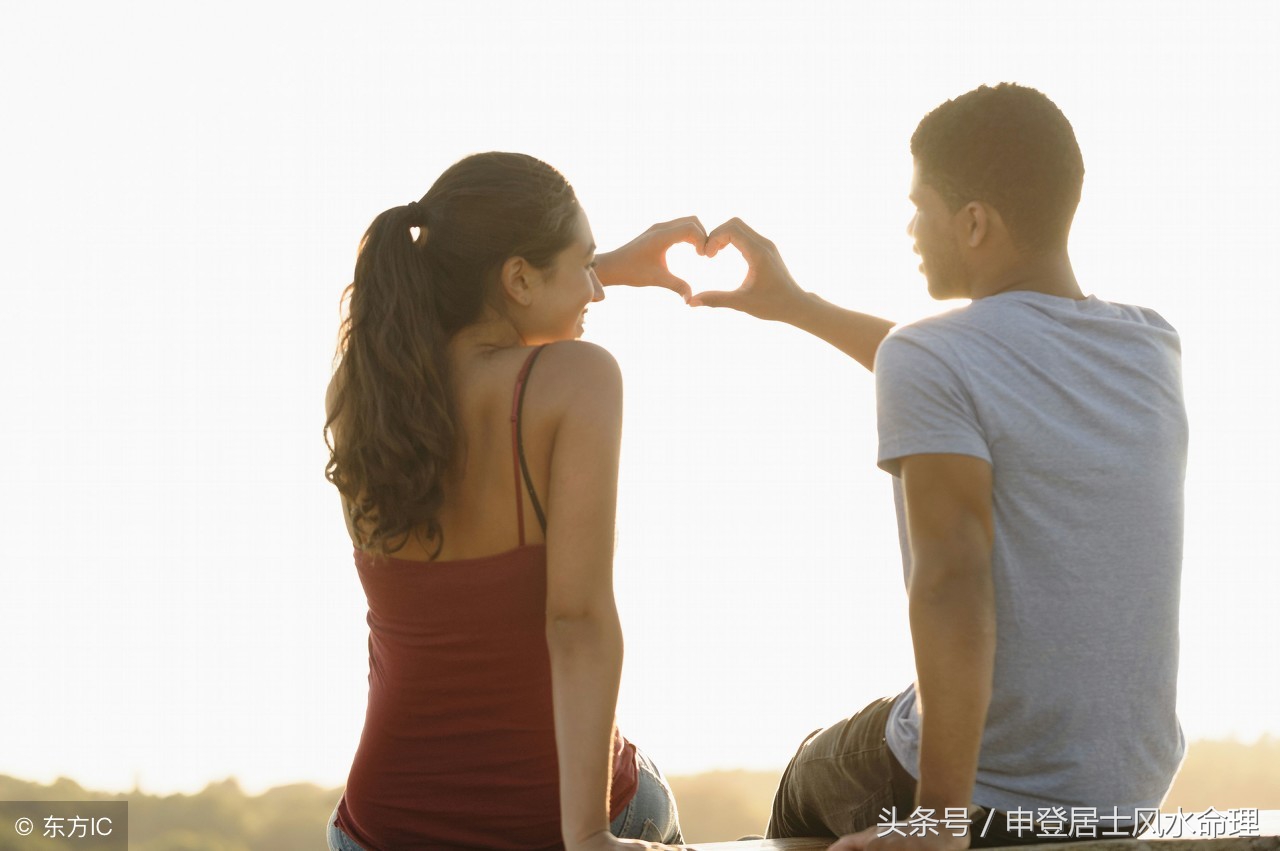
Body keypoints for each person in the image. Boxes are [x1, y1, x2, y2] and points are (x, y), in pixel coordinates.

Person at [692, 84, 1187, 849]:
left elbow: (953, 578)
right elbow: (981, 373)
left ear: (975, 222)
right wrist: (796, 304)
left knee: (805, 781)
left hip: (989, 795)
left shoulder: (931, 356)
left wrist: (939, 818)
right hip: (1120, 793)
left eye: (919, 204)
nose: (910, 225)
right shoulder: (1149, 347)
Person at [322, 152, 702, 850]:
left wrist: (602, 264)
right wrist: (586, 833)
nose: (597, 289)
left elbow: (484, 315)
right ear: (519, 277)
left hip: (382, 828)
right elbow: (577, 619)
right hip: (554, 820)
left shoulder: (362, 396)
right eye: (585, 266)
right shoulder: (575, 381)